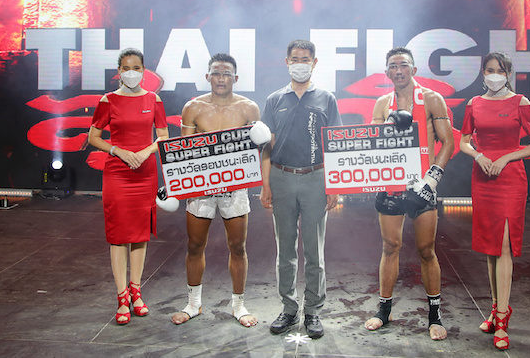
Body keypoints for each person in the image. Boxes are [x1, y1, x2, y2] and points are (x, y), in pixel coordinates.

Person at [363, 47, 455, 340]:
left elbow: (448, 142)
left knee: (426, 249)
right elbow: (373, 144)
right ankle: (384, 310)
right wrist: (387, 128)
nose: (398, 70)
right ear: (387, 72)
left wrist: (432, 180)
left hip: (422, 184)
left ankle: (435, 315)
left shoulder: (431, 99)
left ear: (413, 69)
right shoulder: (382, 104)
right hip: (392, 184)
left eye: (403, 65)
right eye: (393, 66)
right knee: (390, 246)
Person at [459, 51, 530, 351]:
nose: (494, 75)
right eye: (489, 70)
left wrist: (507, 157)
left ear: (508, 74)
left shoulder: (521, 103)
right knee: (490, 246)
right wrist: (479, 156)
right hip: (483, 178)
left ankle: (504, 318)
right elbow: (464, 141)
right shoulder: (474, 103)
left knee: (505, 246)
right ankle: (495, 310)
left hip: (510, 179)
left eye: (500, 70)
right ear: (483, 73)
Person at [171, 53, 263, 328]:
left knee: (237, 246)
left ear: (235, 78)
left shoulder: (249, 108)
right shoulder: (193, 108)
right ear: (207, 76)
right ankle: (193, 303)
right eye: (216, 73)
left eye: (226, 74)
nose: (221, 78)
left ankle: (238, 305)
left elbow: (255, 150)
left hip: (235, 185)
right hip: (202, 186)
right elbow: (184, 151)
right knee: (195, 245)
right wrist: (182, 183)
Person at [260, 39, 342, 339]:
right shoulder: (274, 100)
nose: (299, 64)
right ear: (286, 62)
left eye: (305, 59)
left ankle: (313, 310)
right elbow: (265, 146)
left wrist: (334, 185)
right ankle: (289, 307)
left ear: (314, 63)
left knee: (314, 251)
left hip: (315, 179)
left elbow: (333, 145)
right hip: (281, 178)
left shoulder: (326, 98)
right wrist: (265, 184)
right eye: (294, 59)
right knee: (285, 249)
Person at [88, 48, 169, 325]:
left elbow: (163, 136)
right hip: (118, 173)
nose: (131, 72)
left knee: (139, 234)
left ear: (143, 71)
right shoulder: (108, 100)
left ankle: (136, 292)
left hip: (145, 172)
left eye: (136, 68)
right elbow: (94, 137)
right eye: (126, 68)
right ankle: (122, 297)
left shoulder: (153, 99)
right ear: (119, 72)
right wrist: (118, 151)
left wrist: (145, 152)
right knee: (119, 234)